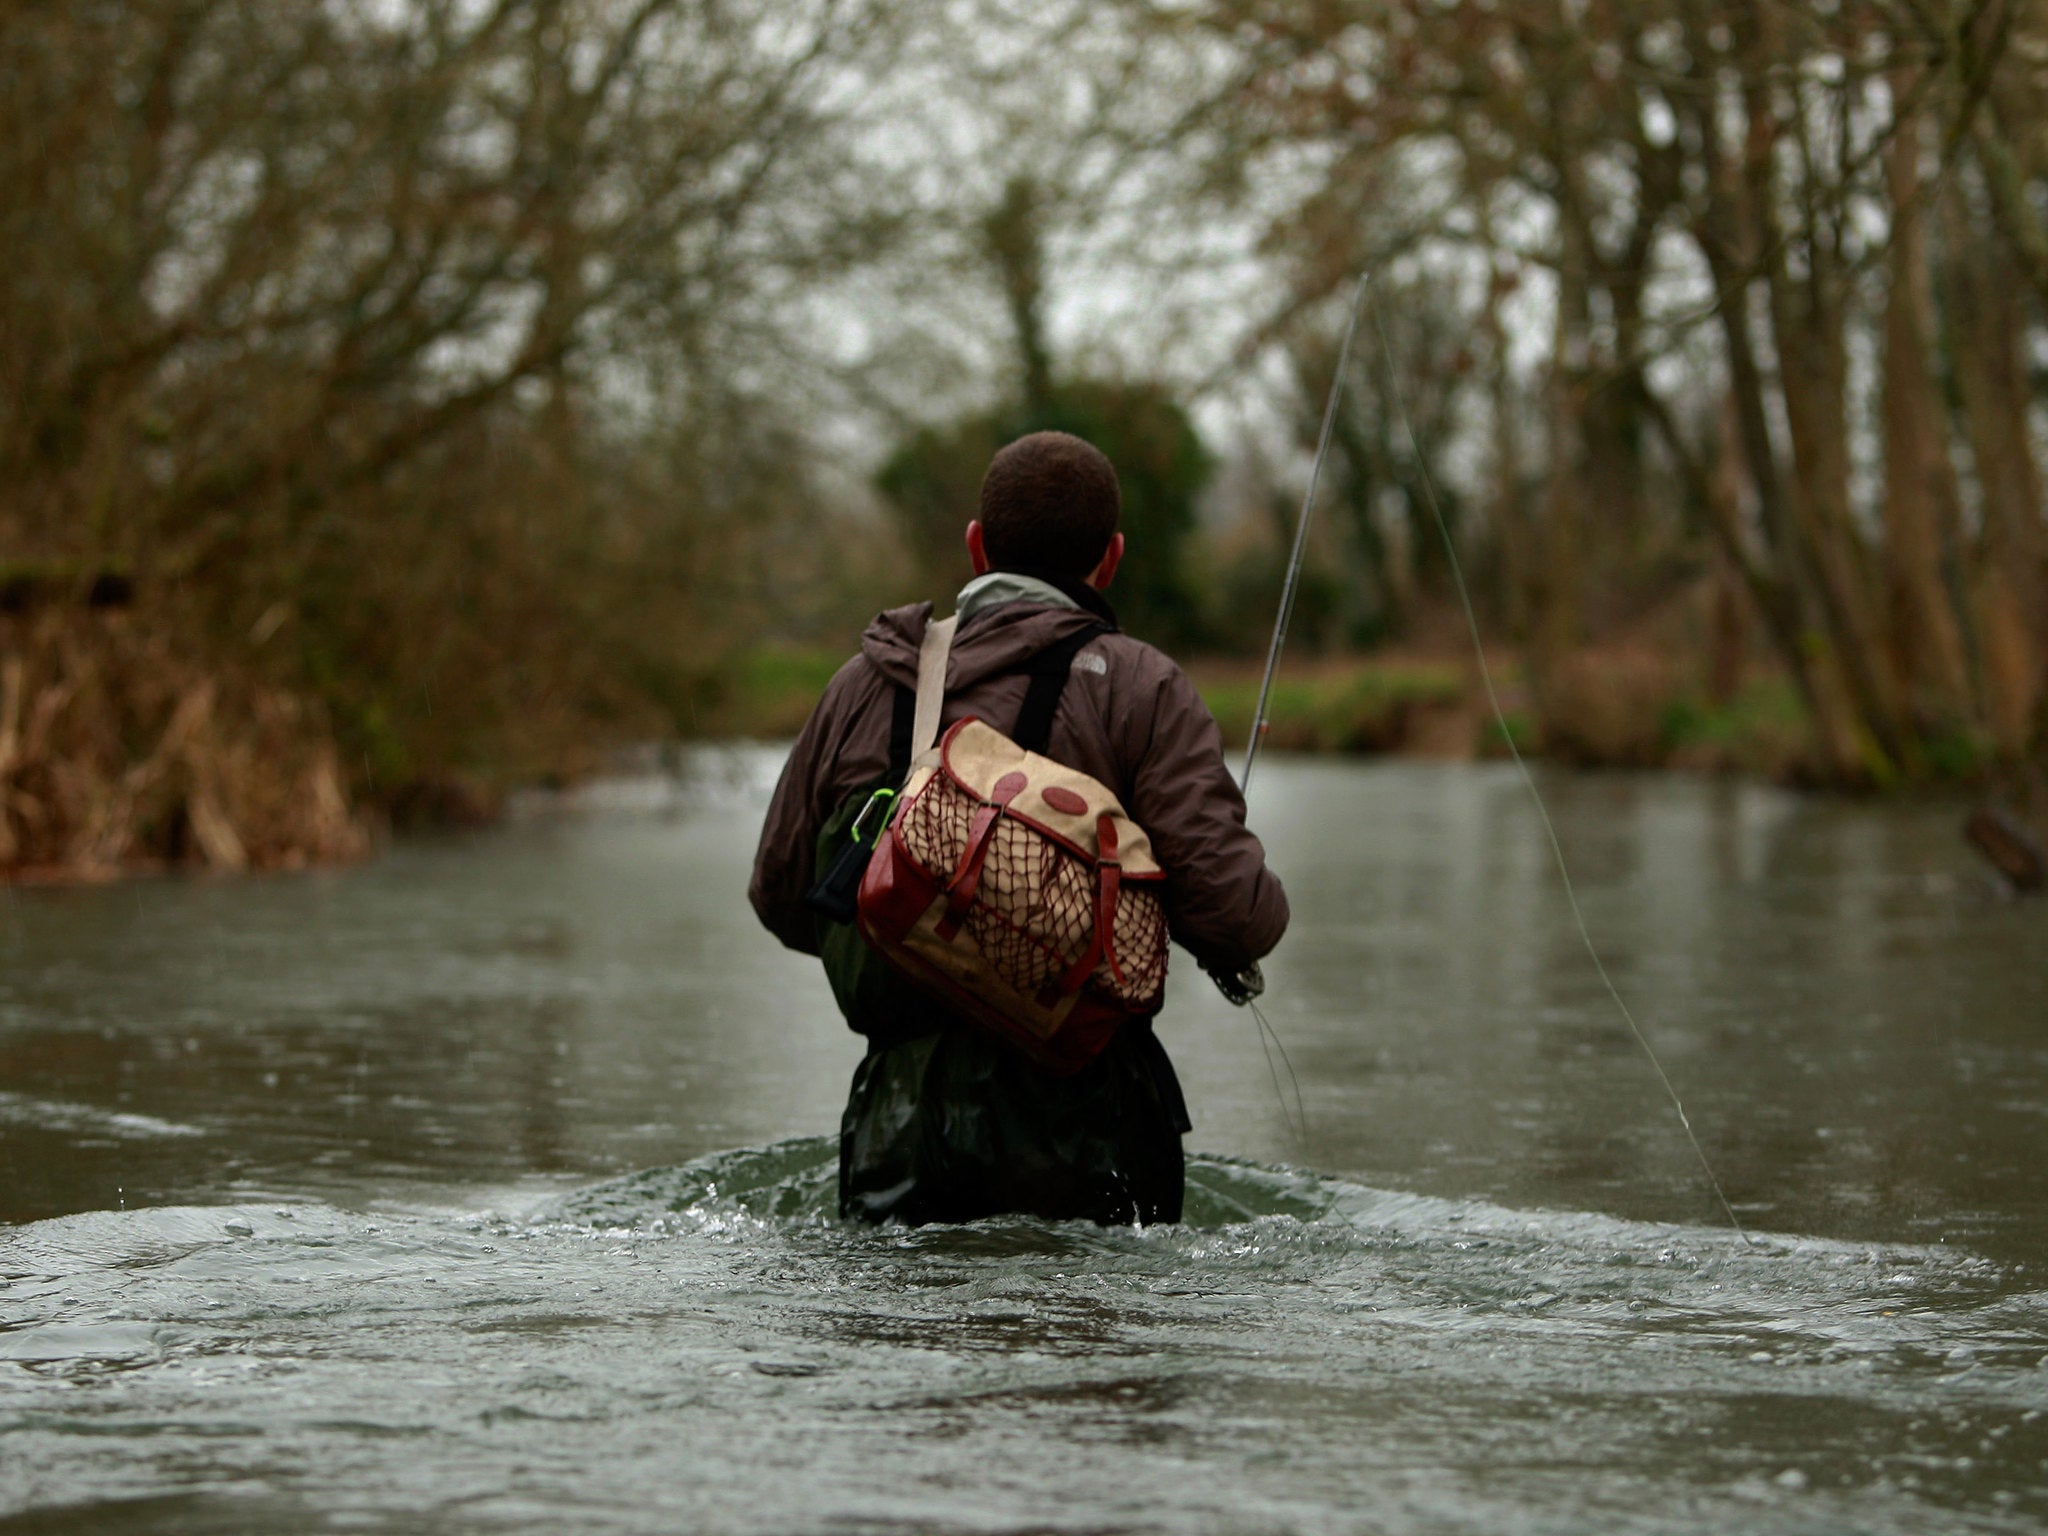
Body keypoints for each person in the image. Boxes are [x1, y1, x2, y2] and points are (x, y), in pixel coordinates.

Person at [749, 430, 1287, 1226]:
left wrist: (931, 937)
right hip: (1092, 1118)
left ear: (977, 547)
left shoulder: (868, 682)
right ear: (1111, 558)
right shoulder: (1142, 688)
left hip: (904, 1119)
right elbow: (1237, 917)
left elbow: (783, 894)